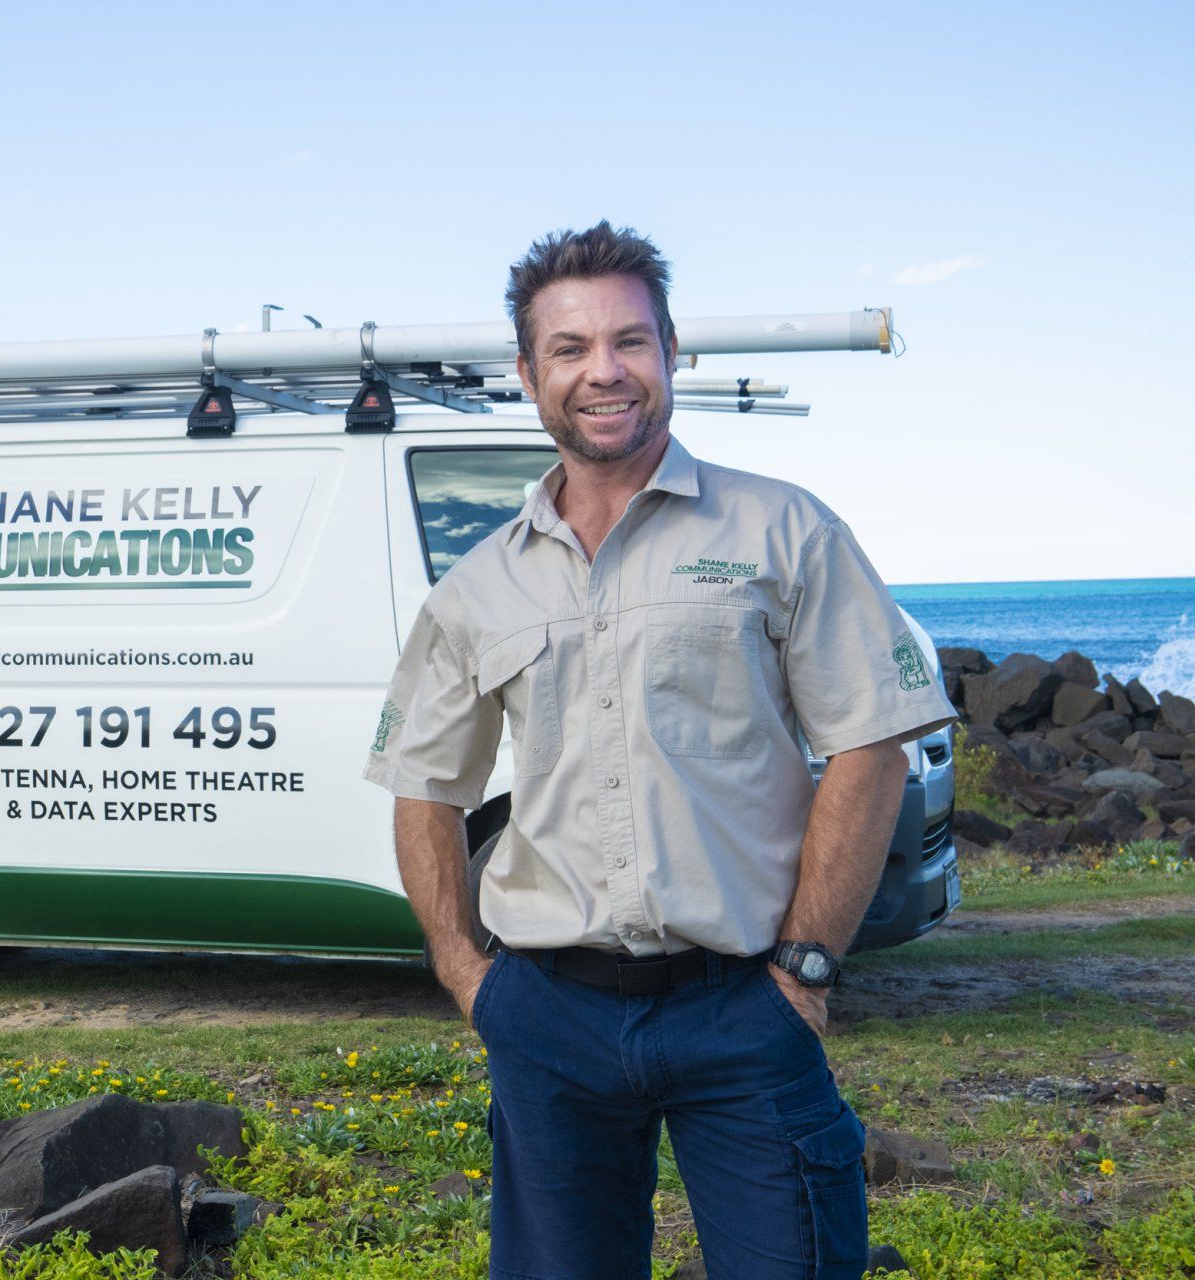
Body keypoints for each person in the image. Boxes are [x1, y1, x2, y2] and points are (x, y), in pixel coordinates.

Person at [363, 221, 956, 1280]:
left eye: (630, 341)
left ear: (672, 352)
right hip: (548, 1018)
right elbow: (423, 782)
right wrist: (467, 973)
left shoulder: (787, 531)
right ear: (527, 373)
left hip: (745, 1008)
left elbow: (870, 747)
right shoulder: (477, 585)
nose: (605, 371)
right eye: (570, 347)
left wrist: (808, 965)